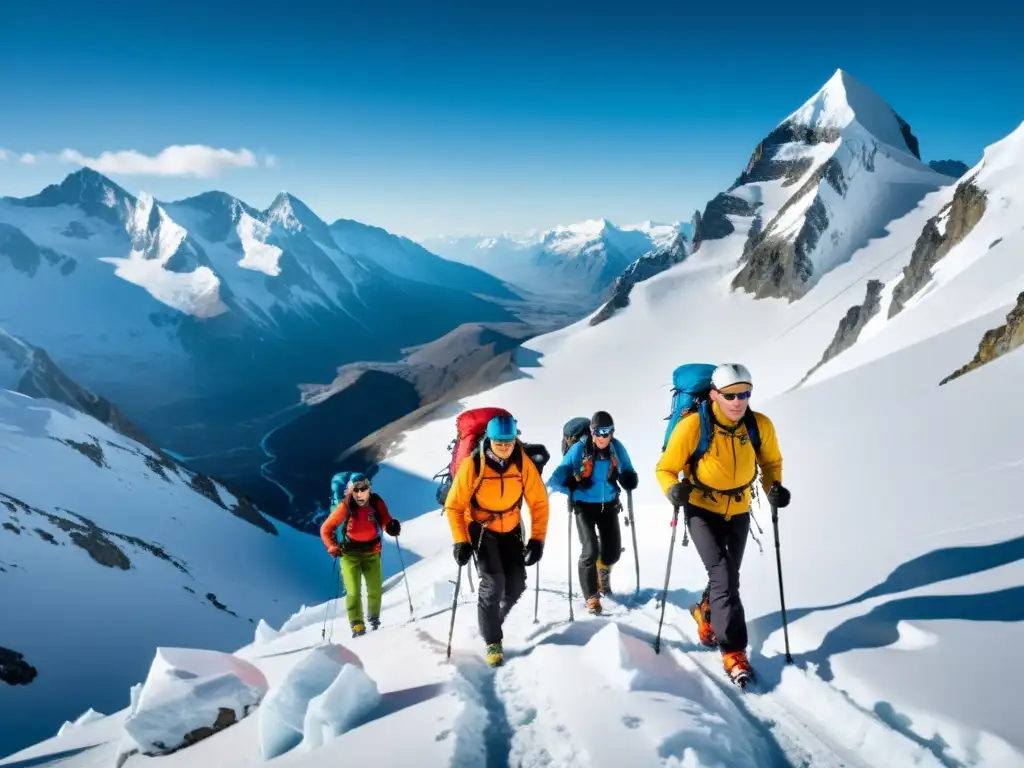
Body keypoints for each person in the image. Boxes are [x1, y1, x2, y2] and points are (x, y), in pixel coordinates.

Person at [654, 363, 790, 683]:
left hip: (740, 509)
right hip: (701, 509)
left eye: (745, 394)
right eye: (730, 395)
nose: (738, 401)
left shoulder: (759, 425)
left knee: (727, 574)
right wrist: (673, 489)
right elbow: (665, 468)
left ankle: (706, 612)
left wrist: (774, 487)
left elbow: (771, 462)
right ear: (714, 395)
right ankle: (733, 651)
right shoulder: (692, 427)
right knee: (724, 575)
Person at [445, 413, 550, 667]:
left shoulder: (521, 462)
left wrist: (537, 540)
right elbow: (454, 506)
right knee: (493, 582)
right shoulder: (474, 465)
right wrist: (460, 541)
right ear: (490, 441)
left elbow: (538, 502)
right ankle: (493, 641)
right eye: (499, 443)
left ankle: (492, 618)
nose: (504, 447)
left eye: (508, 442)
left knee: (516, 584)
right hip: (481, 528)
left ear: (515, 440)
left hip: (512, 526)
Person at [549, 410, 638, 615]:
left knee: (612, 552)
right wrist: (568, 485)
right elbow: (556, 478)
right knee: (589, 550)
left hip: (608, 505)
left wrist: (629, 478)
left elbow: (627, 468)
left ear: (612, 432)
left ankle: (602, 575)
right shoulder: (579, 449)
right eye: (598, 432)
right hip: (584, 507)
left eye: (607, 432)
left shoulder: (616, 447)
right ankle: (592, 596)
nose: (602, 437)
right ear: (591, 432)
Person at [320, 472, 402, 637]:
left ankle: (373, 619)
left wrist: (390, 527)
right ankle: (357, 625)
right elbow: (326, 529)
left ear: (368, 489)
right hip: (349, 555)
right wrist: (331, 546)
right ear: (350, 491)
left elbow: (385, 520)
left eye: (363, 489)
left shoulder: (376, 502)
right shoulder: (345, 507)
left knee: (374, 589)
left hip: (371, 552)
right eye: (355, 490)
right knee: (353, 591)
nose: (359, 493)